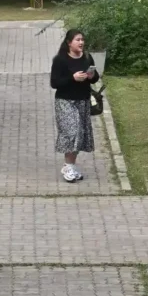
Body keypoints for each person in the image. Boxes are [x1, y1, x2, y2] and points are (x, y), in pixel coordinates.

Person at [50, 29, 98, 183]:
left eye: (82, 39)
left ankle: (71, 165)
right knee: (73, 130)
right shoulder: (60, 60)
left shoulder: (87, 58)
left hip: (82, 100)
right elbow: (54, 83)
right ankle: (68, 166)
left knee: (81, 134)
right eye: (77, 40)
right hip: (65, 101)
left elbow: (95, 78)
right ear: (69, 43)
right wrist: (72, 78)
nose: (81, 42)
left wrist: (91, 76)